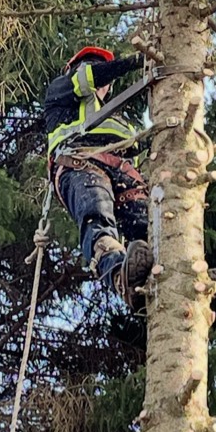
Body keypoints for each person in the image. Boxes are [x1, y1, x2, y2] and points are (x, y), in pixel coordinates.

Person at [44, 45, 153, 307]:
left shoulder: (119, 121)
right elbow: (90, 76)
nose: (102, 81)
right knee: (97, 216)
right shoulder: (62, 90)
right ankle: (118, 274)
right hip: (81, 164)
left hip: (123, 176)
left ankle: (168, 278)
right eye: (89, 64)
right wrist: (136, 61)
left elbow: (139, 154)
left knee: (147, 227)